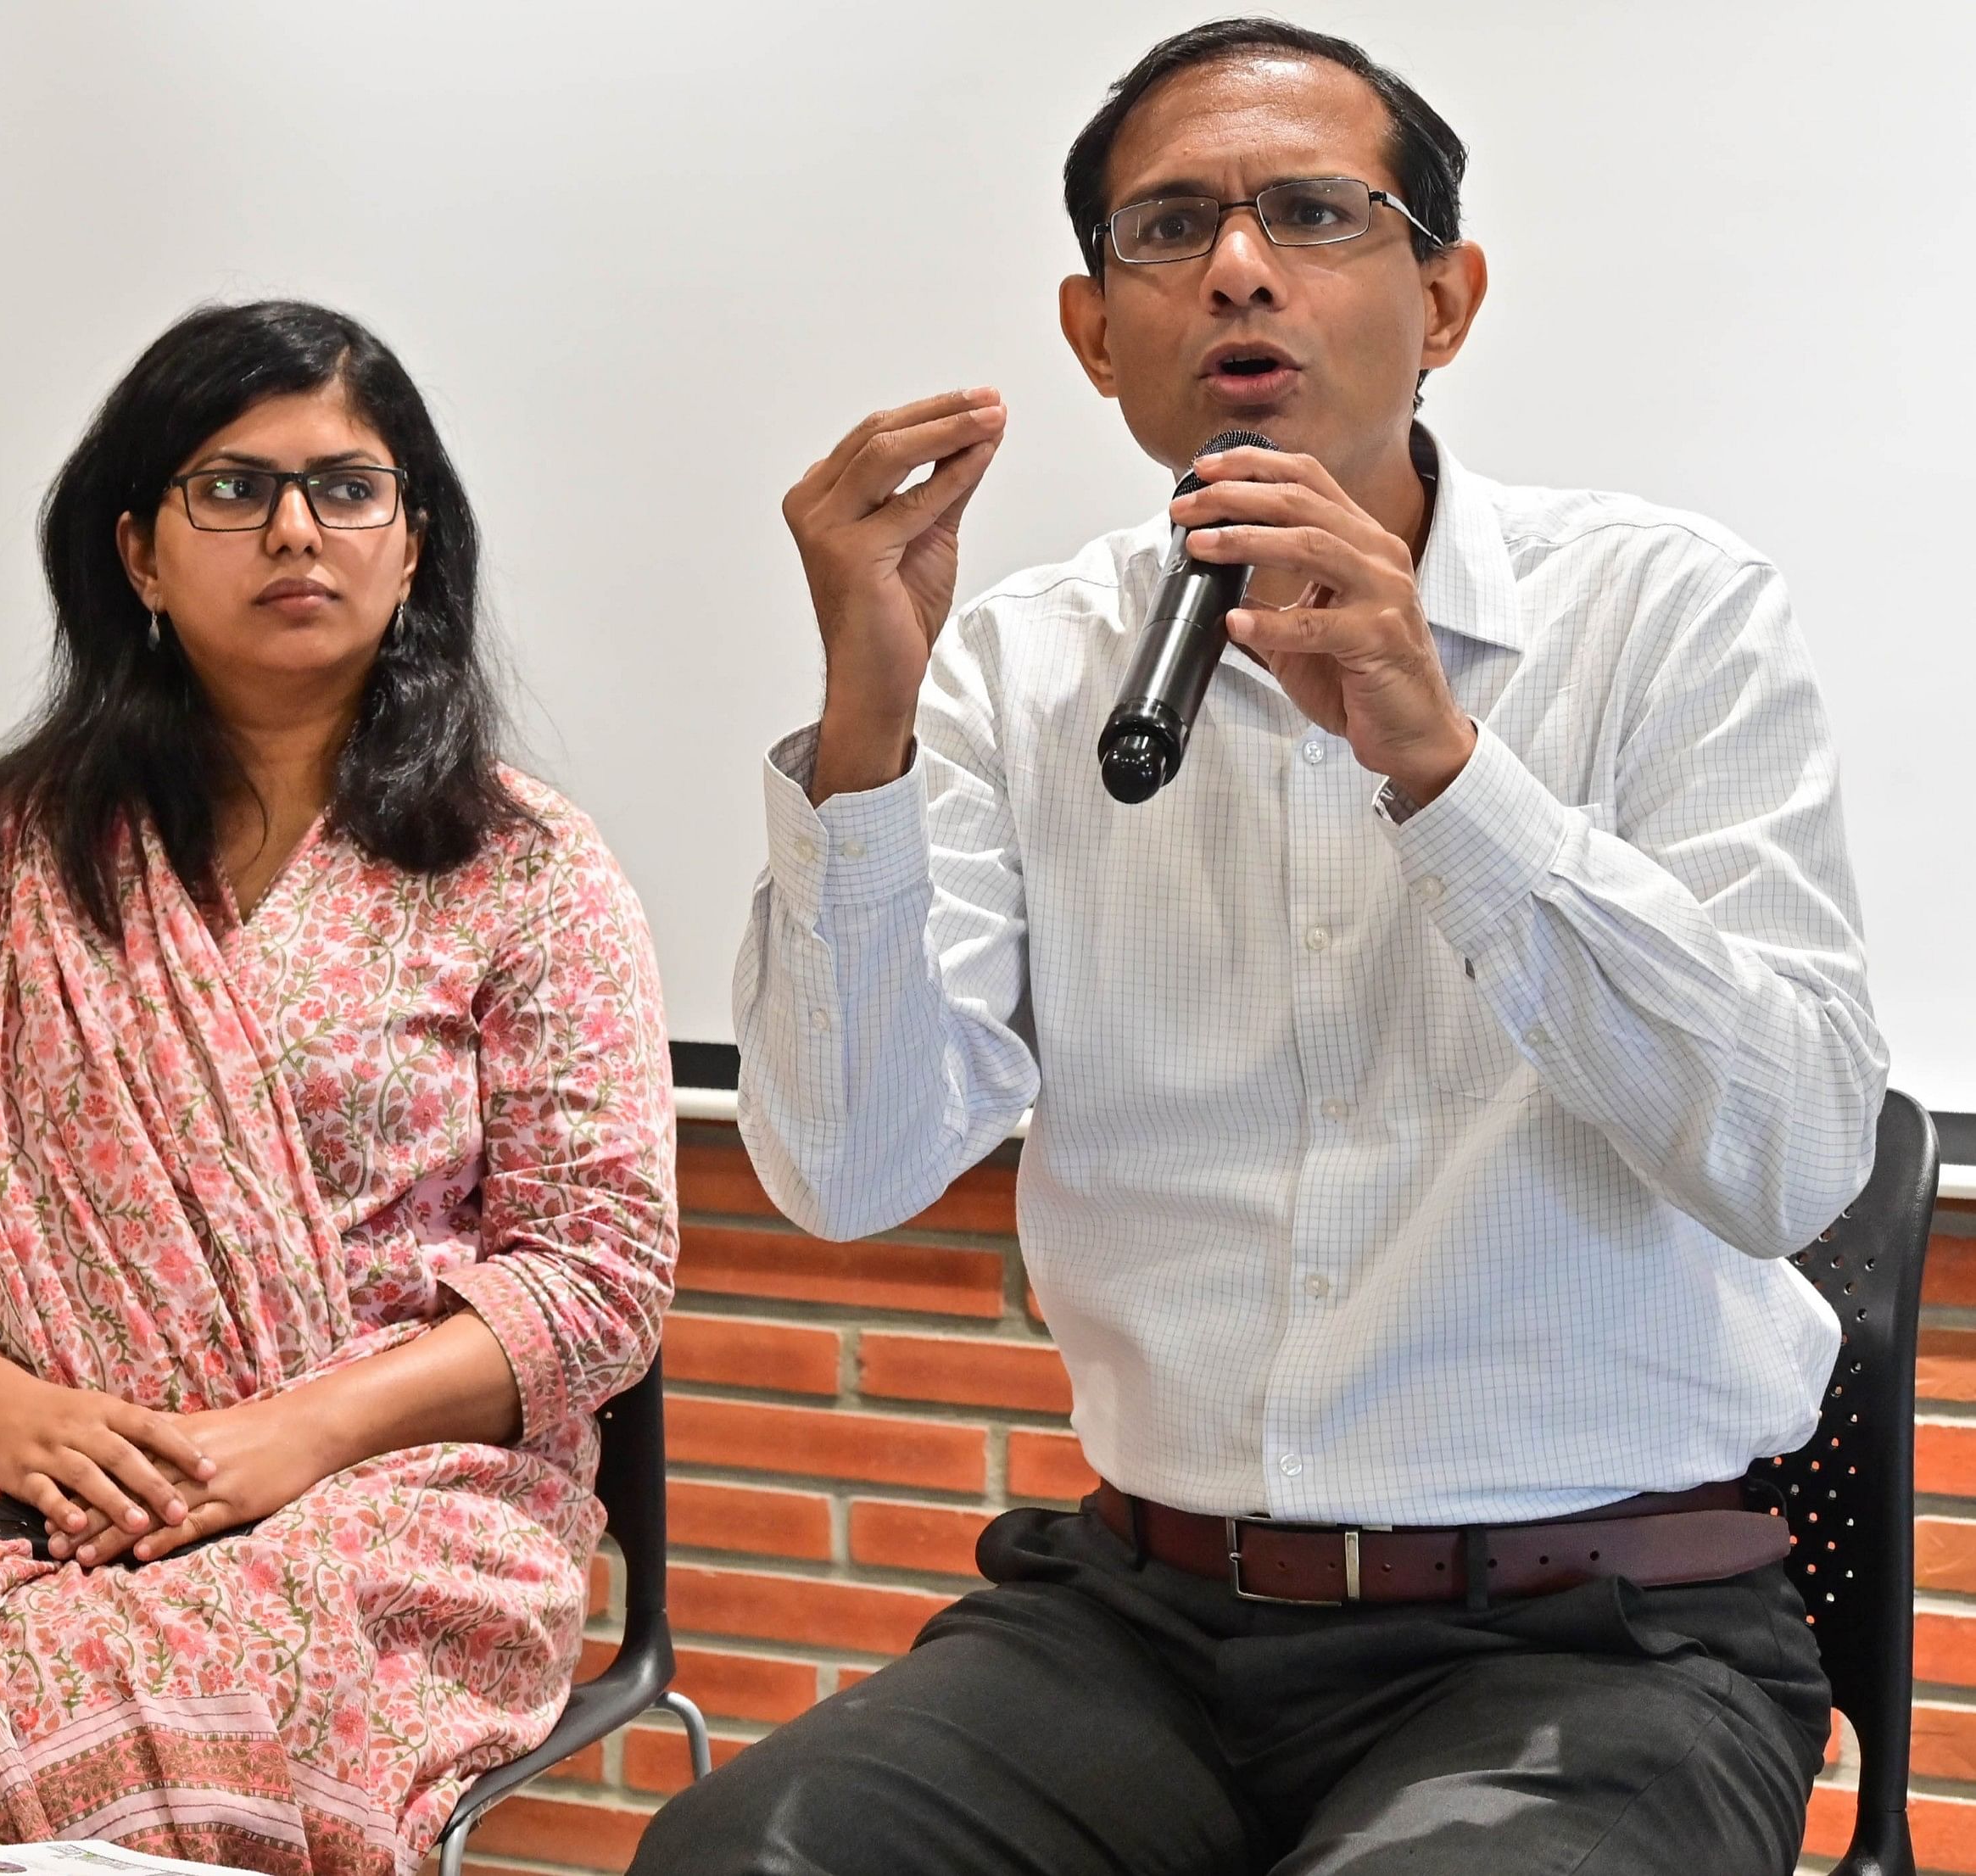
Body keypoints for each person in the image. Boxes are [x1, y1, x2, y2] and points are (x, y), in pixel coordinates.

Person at [639, 20, 1881, 1875]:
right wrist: (866, 739)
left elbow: (1786, 1157)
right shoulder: (1020, 666)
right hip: (1137, 1621)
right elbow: (843, 1168)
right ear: (1093, 333)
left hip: (1595, 1629)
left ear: (1444, 300)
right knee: (733, 1859)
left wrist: (1445, 771)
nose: (1236, 266)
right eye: (1168, 229)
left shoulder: (1665, 615)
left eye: (1313, 212)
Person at [0, 300, 677, 1874]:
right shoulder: (0, 862)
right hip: (7, 1461)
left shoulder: (525, 870)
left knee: (215, 1704)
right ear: (141, 556)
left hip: (377, 1487)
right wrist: (3, 1408)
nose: (297, 530)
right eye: (232, 489)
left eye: (348, 488)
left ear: (414, 543)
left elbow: (597, 1282)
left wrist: (289, 1440)